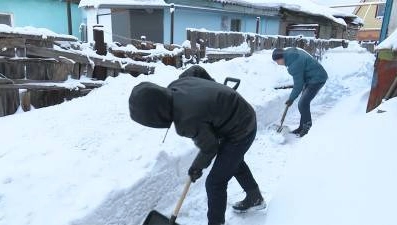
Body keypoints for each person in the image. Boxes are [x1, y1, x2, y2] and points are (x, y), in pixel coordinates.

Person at [129, 66, 265, 225]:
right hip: (237, 113)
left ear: (155, 116)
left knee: (215, 183)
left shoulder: (185, 119)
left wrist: (196, 167)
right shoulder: (177, 85)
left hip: (242, 128)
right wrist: (215, 94)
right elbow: (196, 70)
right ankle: (255, 198)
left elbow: (210, 147)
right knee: (232, 161)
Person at [272, 47, 328, 137]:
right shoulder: (291, 55)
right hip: (310, 78)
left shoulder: (294, 64)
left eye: (277, 61)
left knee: (303, 103)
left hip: (317, 79)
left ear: (281, 58)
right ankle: (302, 127)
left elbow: (298, 85)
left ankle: (307, 128)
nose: (278, 64)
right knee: (303, 103)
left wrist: (291, 99)